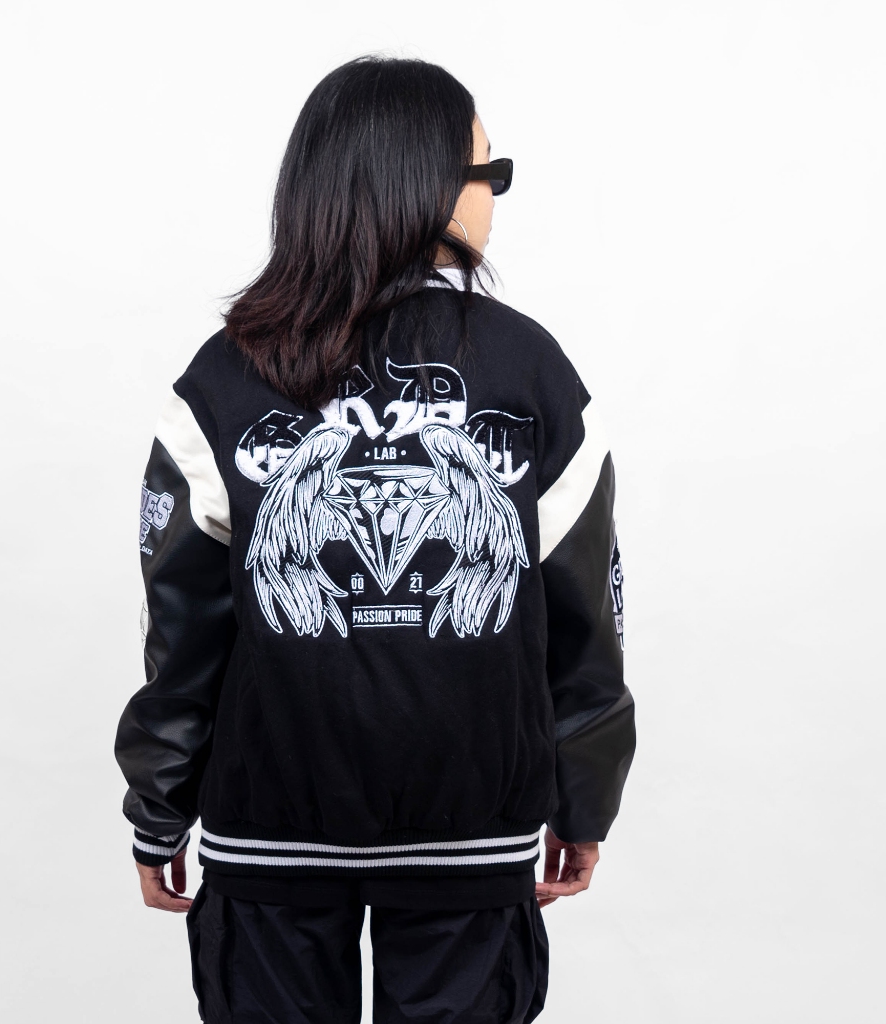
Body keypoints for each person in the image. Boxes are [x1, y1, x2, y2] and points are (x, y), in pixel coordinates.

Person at [115, 54, 635, 1024]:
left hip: (270, 836)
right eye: (489, 172)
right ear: (429, 184)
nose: (495, 196)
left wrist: (158, 806)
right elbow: (585, 621)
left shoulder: (224, 375)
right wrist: (585, 794)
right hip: (469, 838)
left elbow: (181, 632)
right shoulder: (530, 372)